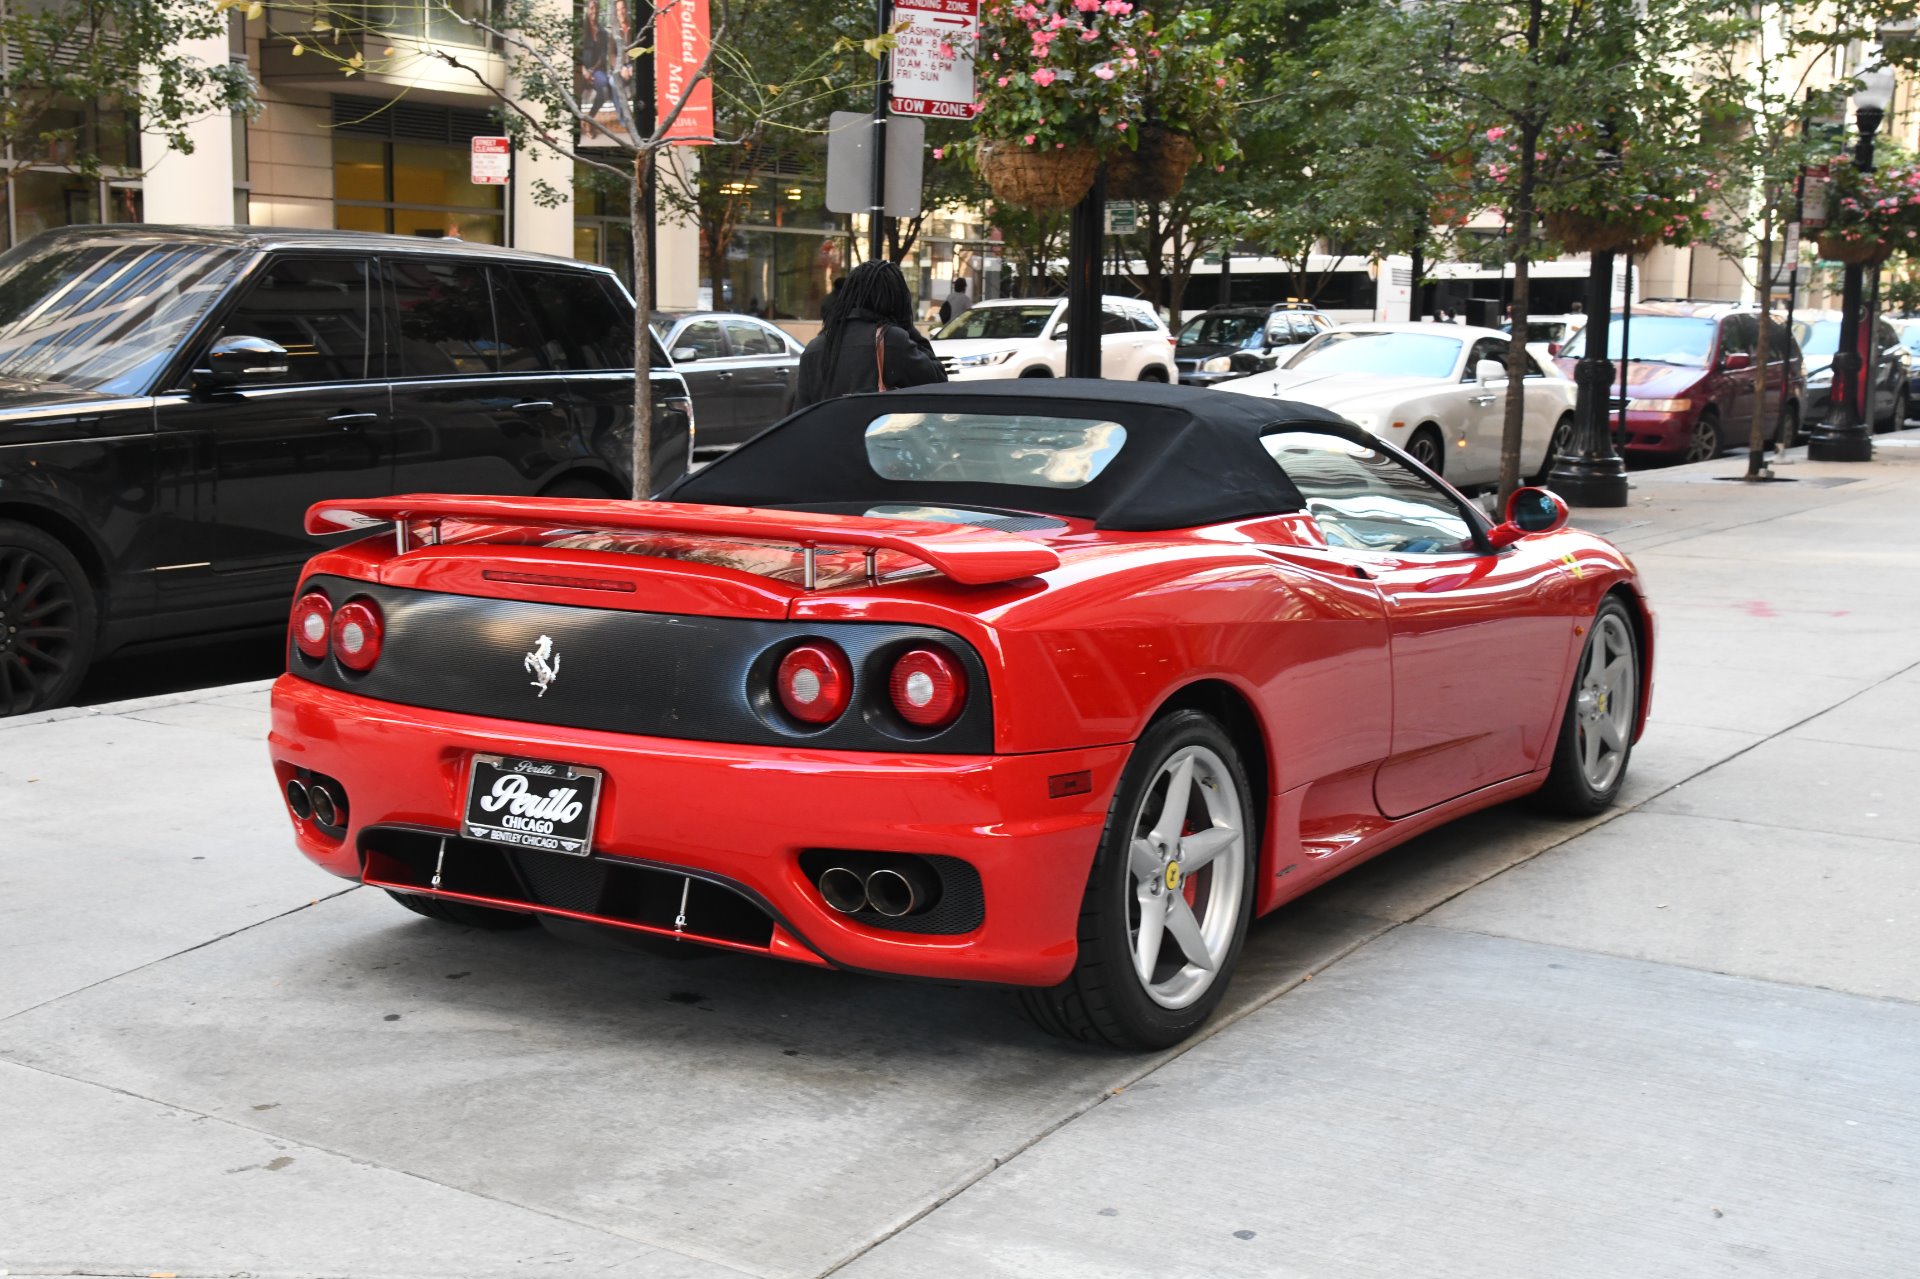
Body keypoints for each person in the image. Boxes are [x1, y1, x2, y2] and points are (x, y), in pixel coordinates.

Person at [796, 260, 946, 407]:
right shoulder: (892, 341)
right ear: (895, 299)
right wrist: (907, 326)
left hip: (828, 432)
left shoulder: (814, 349)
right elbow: (938, 380)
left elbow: (800, 416)